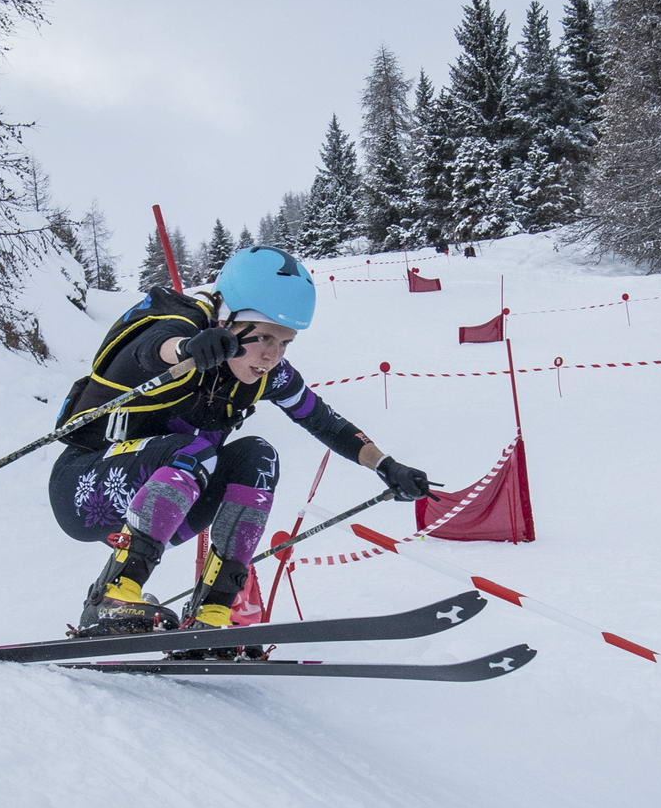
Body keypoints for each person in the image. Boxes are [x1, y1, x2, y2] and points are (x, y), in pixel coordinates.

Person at [48, 246, 433, 656]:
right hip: (86, 488)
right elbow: (147, 350)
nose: (271, 355)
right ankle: (110, 595)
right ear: (226, 320)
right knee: (193, 451)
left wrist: (385, 465)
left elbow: (323, 420)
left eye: (285, 342)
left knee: (258, 457)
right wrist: (186, 349)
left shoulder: (268, 374)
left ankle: (211, 612)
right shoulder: (178, 325)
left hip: (170, 501)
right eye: (263, 336)